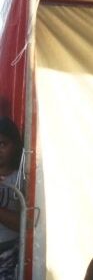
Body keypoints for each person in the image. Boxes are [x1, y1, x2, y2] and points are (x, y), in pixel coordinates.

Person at [0, 115, 22, 280]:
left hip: (8, 255)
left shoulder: (19, 179)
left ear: (14, 146)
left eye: (3, 144)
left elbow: (23, 224)